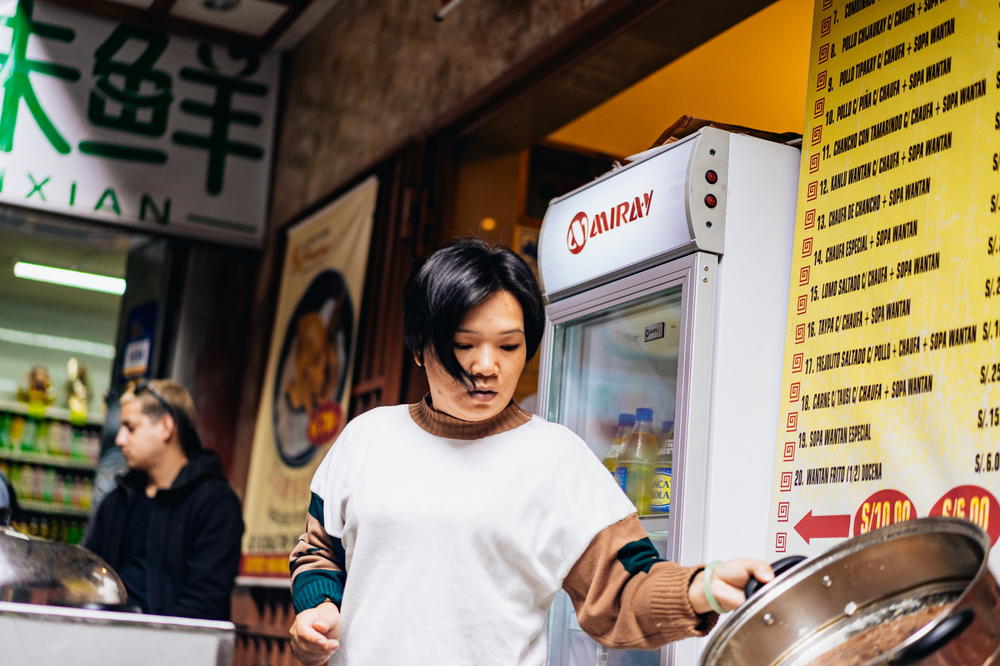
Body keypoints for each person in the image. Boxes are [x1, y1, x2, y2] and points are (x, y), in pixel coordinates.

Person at [288, 239, 774, 665]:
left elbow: (625, 590)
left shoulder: (556, 459)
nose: (486, 366)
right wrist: (318, 608)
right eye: (463, 344)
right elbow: (318, 549)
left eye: (509, 346)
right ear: (420, 347)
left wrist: (703, 587)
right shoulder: (366, 437)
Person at [83, 379, 244, 621]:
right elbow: (88, 574)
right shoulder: (117, 501)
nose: (120, 440)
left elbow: (204, 602)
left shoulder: (215, 504)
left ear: (166, 427)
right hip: (104, 640)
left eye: (130, 427)